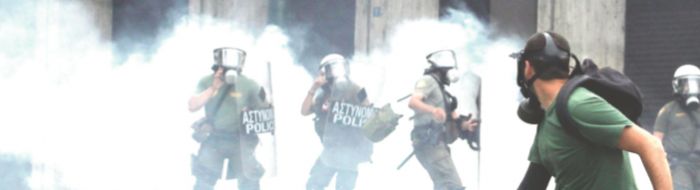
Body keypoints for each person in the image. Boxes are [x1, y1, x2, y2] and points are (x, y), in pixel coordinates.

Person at [515, 32, 672, 189]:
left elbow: (652, 146)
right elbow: (533, 183)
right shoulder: (548, 120)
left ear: (527, 67)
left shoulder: (578, 105)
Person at [188, 47, 266, 190]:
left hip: (241, 140)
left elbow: (266, 112)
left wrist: (251, 112)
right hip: (214, 139)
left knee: (250, 182)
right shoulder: (206, 81)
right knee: (203, 182)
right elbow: (192, 105)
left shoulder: (250, 84)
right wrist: (213, 87)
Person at [407, 49, 478, 190]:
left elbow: (452, 116)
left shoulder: (442, 90)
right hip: (429, 144)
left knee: (443, 185)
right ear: (443, 69)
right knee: (452, 185)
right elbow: (413, 102)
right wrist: (433, 110)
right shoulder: (427, 81)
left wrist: (464, 125)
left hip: (438, 144)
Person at [300, 54, 373, 190]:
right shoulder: (323, 95)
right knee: (313, 185)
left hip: (350, 151)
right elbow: (304, 111)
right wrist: (313, 88)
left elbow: (368, 113)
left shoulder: (356, 89)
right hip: (330, 150)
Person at [654, 64, 700, 190]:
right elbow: (656, 140)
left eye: (695, 83)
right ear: (677, 85)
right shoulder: (668, 110)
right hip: (679, 164)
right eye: (686, 84)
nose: (691, 88)